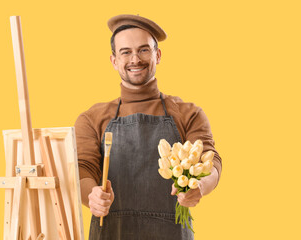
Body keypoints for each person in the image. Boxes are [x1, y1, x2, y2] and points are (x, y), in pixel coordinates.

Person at [74, 14, 222, 240]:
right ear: (114, 61)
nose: (135, 59)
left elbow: (210, 160)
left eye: (144, 50)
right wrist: (91, 196)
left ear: (158, 55)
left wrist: (200, 186)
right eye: (126, 52)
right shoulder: (92, 118)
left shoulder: (188, 113)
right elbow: (83, 167)